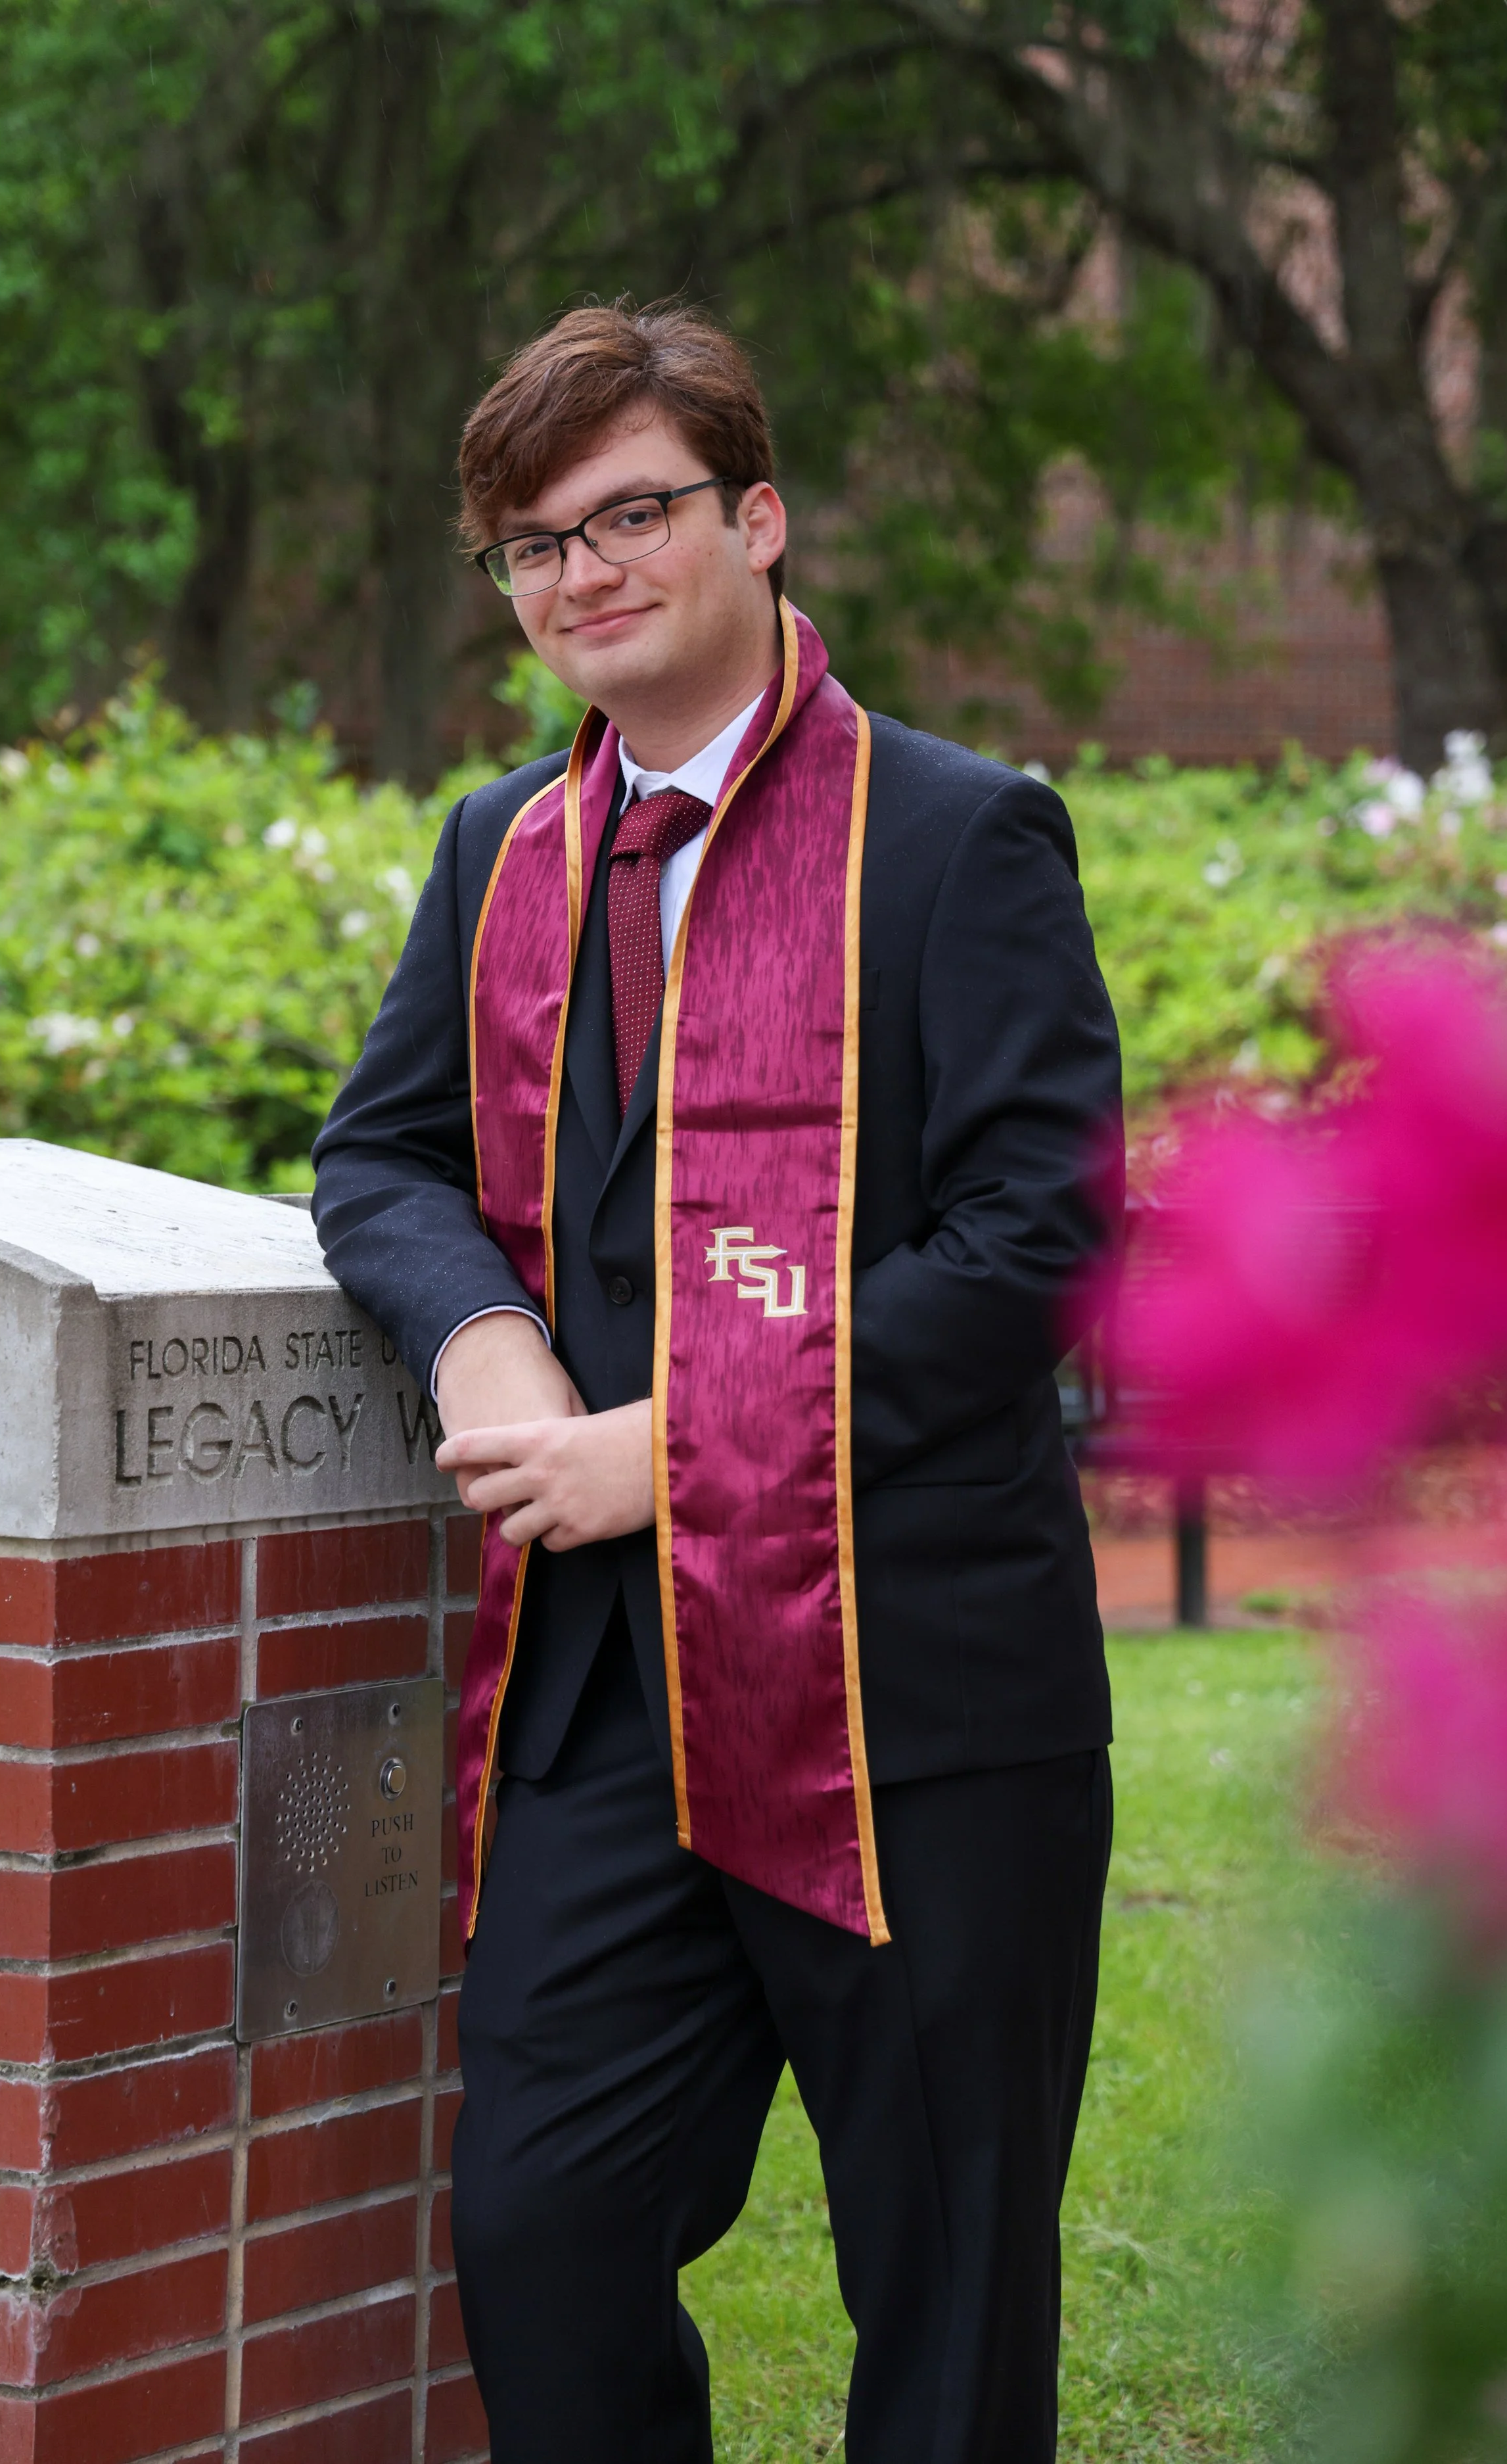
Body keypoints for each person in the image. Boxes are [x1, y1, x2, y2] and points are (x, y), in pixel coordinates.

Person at [312, 299, 1122, 2464]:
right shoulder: (506, 850)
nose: (578, 573)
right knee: (541, 2232)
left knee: (944, 2290)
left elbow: (1035, 1242)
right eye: (531, 545)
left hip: (911, 1704)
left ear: (757, 521)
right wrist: (482, 1336)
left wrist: (665, 1448)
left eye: (628, 515)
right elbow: (381, 1157)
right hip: (610, 1709)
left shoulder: (955, 838)